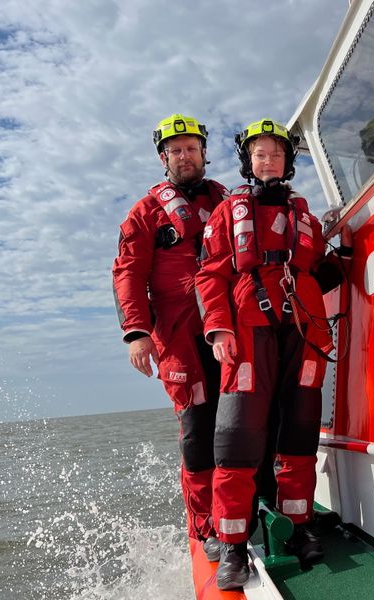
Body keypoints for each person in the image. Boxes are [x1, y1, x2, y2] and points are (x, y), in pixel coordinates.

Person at [195, 118, 352, 590]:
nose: (269, 162)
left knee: (299, 435)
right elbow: (209, 277)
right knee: (238, 442)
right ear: (249, 161)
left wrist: (341, 251)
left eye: (277, 155)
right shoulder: (228, 212)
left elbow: (324, 271)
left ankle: (299, 527)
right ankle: (234, 547)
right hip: (247, 336)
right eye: (260, 155)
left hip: (302, 335)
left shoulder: (305, 216)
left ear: (287, 162)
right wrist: (219, 330)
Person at [112, 113, 229, 562]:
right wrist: (136, 335)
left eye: (191, 148)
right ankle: (206, 528)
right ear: (164, 158)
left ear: (203, 153)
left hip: (228, 327)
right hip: (178, 334)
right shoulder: (145, 213)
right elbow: (127, 273)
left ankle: (245, 505)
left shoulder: (226, 199)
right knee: (198, 429)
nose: (185, 156)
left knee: (242, 418)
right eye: (175, 150)